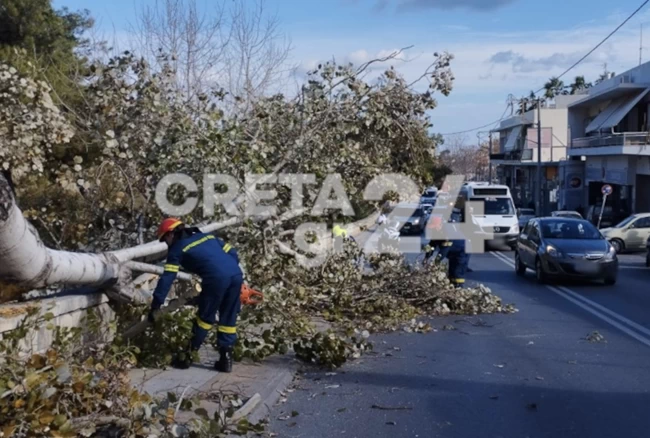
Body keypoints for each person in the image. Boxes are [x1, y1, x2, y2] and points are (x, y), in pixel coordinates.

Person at [149, 218, 243, 372]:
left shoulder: (177, 249)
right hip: (236, 275)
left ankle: (187, 357)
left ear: (171, 234)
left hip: (216, 279)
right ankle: (226, 360)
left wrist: (156, 305)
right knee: (228, 318)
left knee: (205, 318)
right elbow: (233, 252)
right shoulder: (208, 236)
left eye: (165, 239)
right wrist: (228, 270)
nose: (166, 243)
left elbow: (168, 277)